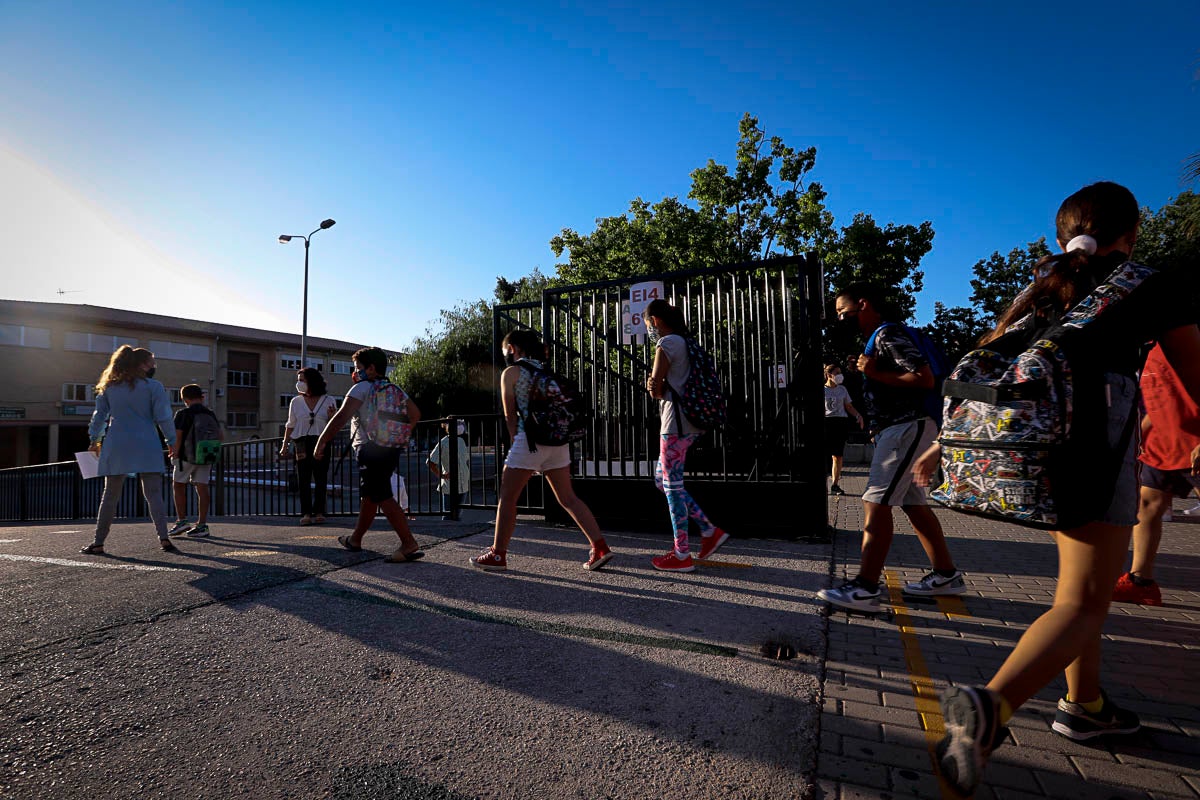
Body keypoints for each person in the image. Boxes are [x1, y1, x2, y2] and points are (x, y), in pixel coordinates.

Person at [911, 182, 1200, 797]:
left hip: (1037, 455)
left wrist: (947, 443)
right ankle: (987, 709)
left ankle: (1085, 705)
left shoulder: (1049, 286)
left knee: (1079, 592)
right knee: (1084, 603)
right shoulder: (1149, 281)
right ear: (1133, 233)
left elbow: (994, 366)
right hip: (1093, 451)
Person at [816, 283, 964, 612]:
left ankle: (866, 587)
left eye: (843, 311)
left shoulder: (887, 335)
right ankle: (946, 574)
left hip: (906, 425)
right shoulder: (879, 338)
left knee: (875, 502)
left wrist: (873, 371)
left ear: (863, 304)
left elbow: (923, 378)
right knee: (913, 504)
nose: (840, 318)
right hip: (899, 428)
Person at [470, 329, 612, 572]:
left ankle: (498, 554)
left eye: (506, 350)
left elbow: (509, 414)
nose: (506, 354)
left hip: (530, 440)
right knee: (568, 498)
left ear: (513, 348)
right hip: (558, 442)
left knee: (507, 496)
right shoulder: (548, 372)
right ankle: (599, 546)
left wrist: (516, 444)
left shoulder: (511, 372)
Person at [641, 299, 730, 573]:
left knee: (671, 484)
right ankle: (707, 530)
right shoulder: (687, 342)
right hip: (692, 420)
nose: (650, 330)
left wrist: (652, 385)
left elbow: (656, 389)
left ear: (655, 320)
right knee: (663, 479)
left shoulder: (666, 344)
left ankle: (682, 553)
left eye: (648, 325)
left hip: (675, 423)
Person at [313, 347, 424, 563]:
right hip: (390, 448)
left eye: (357, 368)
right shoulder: (395, 389)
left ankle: (409, 543)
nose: (355, 373)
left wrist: (322, 441)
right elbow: (415, 414)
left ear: (371, 369)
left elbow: (340, 418)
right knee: (370, 495)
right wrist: (399, 435)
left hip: (370, 448)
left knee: (381, 495)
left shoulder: (361, 388)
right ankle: (355, 539)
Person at [1112, 344, 1200, 606]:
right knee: (1147, 507)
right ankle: (1141, 582)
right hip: (1163, 444)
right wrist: (1139, 429)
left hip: (1196, 442)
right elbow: (1161, 397)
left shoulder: (1188, 336)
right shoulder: (1150, 348)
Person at [80, 346, 178, 555]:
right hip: (146, 442)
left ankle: (98, 542)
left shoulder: (110, 388)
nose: (154, 365)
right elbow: (163, 416)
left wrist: (95, 440)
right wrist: (172, 440)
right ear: (141, 364)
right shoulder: (154, 387)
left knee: (110, 495)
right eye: (151, 362)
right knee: (154, 494)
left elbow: (99, 417)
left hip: (117, 442)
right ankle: (164, 538)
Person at [280, 367, 337, 525]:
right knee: (303, 478)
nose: (299, 383)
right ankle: (306, 513)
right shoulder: (295, 402)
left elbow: (334, 424)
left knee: (321, 477)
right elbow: (290, 424)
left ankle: (319, 511)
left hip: (322, 441)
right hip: (301, 442)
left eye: (302, 380)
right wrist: (285, 444)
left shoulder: (329, 400)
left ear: (312, 381)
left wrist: (333, 417)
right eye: (298, 380)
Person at [168, 384, 223, 538]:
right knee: (202, 488)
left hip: (186, 456)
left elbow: (177, 436)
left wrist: (175, 453)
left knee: (178, 486)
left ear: (184, 398)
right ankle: (202, 525)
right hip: (206, 455)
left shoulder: (182, 413)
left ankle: (182, 521)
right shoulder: (210, 413)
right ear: (202, 397)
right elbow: (220, 436)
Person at [824, 363, 864, 496]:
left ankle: (835, 484)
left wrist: (858, 415)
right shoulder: (823, 390)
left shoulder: (842, 390)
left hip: (840, 422)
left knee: (838, 455)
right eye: (837, 373)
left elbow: (848, 406)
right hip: (827, 422)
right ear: (829, 375)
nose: (840, 375)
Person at [428, 420, 470, 514]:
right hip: (449, 486)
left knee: (458, 514)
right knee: (448, 515)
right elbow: (430, 462)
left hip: (463, 485)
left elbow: (465, 460)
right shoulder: (443, 442)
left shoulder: (461, 441)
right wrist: (441, 475)